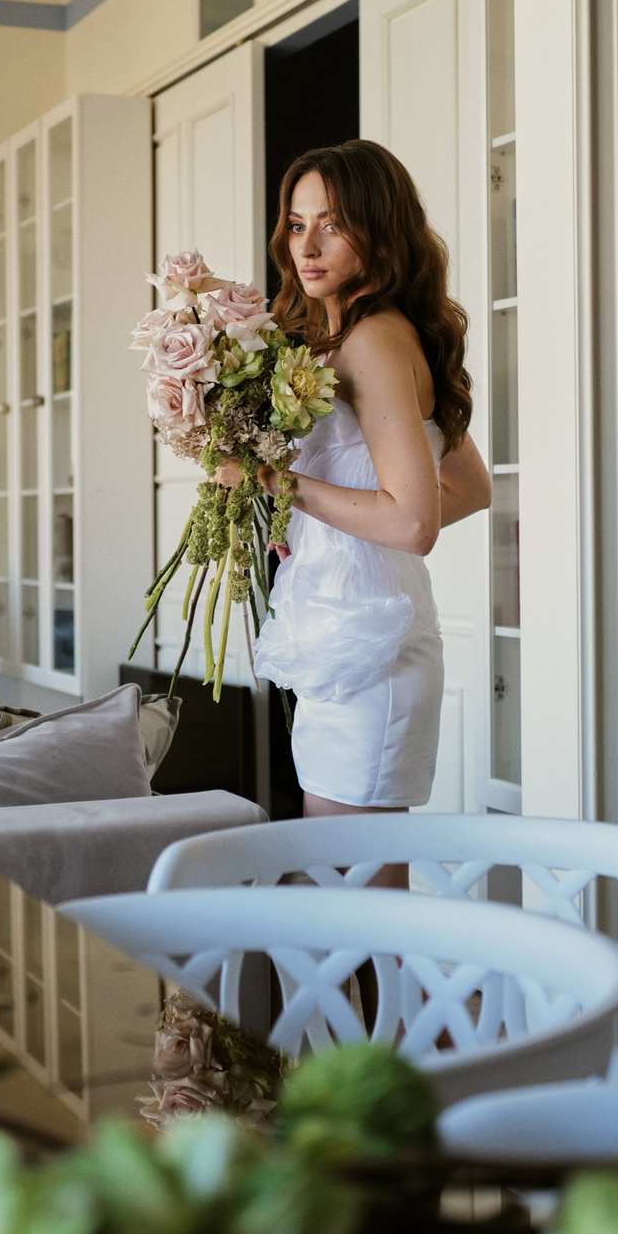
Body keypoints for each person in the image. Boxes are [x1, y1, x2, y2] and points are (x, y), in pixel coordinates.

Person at [227, 139, 492, 820]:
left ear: (379, 232)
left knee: (348, 889)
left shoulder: (373, 340)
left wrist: (279, 483)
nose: (306, 246)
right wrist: (319, 523)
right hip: (353, 631)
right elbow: (467, 487)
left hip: (369, 652)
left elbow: (413, 523)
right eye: (295, 223)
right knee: (360, 887)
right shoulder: (348, 337)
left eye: (333, 224)